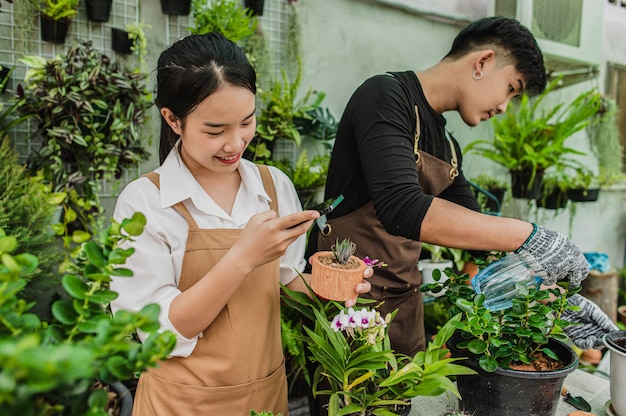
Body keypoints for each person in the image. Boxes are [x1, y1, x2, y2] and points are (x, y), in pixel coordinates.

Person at [306, 16, 617, 361]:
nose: (503, 107)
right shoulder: (384, 96)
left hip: (405, 309)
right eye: (511, 88)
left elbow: (484, 244)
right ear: (483, 62)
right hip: (351, 306)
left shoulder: (449, 147)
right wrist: (532, 235)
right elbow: (402, 208)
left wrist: (555, 299)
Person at [109, 32, 372, 415]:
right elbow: (159, 333)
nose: (236, 143)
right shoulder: (145, 202)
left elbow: (286, 280)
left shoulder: (272, 186)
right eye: (215, 130)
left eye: (246, 122)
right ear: (172, 119)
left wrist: (336, 289)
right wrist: (242, 257)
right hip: (181, 404)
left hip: (263, 397)